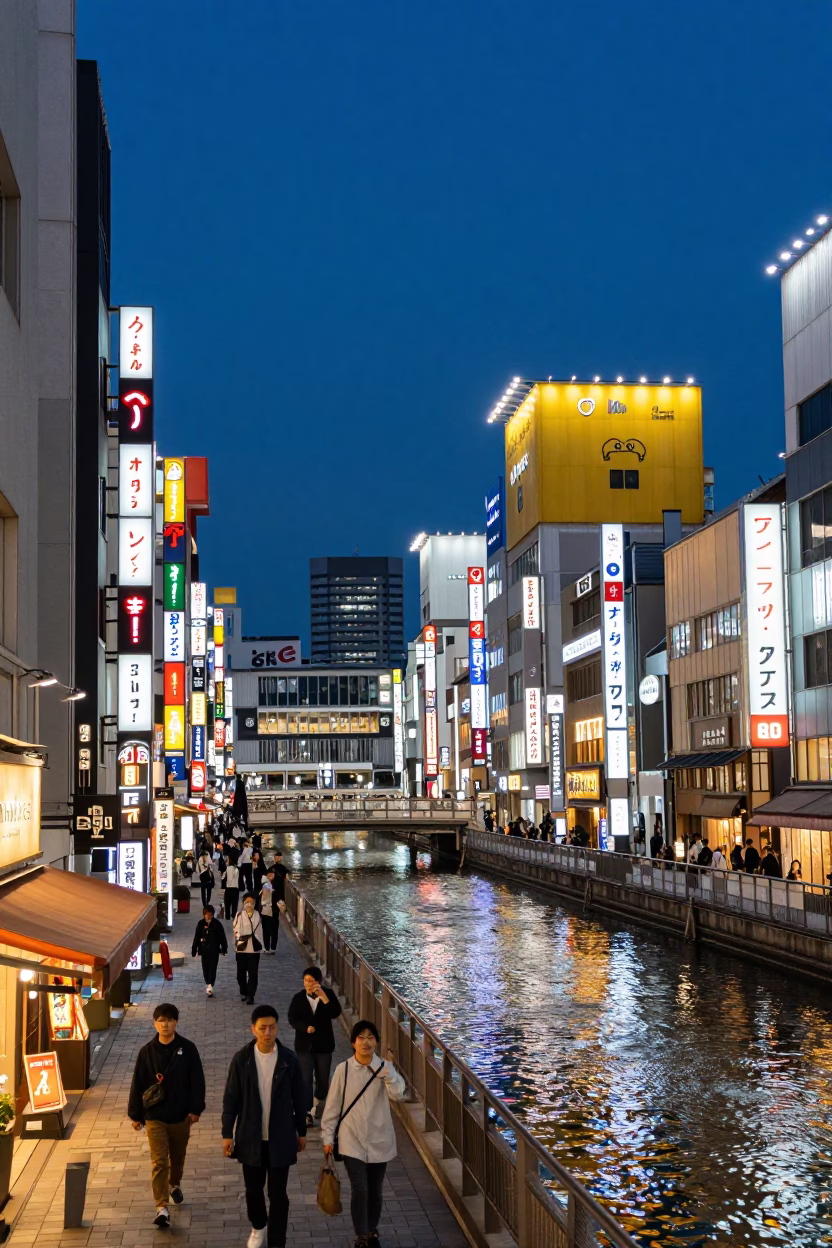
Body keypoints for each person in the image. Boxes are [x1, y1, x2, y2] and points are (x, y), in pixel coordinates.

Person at [222, 1005, 307, 1248]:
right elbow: (231, 1099)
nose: (267, 1032)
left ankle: (277, 1240)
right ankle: (258, 1224)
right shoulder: (242, 1060)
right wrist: (227, 1133)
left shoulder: (288, 1060)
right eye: (262, 1028)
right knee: (253, 1189)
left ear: (277, 1028)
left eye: (272, 1027)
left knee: (278, 1195)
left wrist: (301, 1131)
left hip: (280, 1138)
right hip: (250, 1137)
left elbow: (299, 1098)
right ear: (253, 1029)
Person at [321, 1020, 406, 1248]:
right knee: (360, 1188)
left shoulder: (384, 1068)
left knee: (375, 1191)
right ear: (353, 1042)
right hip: (352, 1139)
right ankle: (362, 1235)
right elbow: (333, 1106)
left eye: (371, 1037)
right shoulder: (344, 1070)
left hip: (380, 1138)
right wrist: (327, 1137)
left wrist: (389, 1075)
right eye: (361, 1037)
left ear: (376, 1042)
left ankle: (372, 1229)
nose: (366, 1042)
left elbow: (398, 1094)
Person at [127, 1003, 205, 1229]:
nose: (165, 1024)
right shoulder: (147, 1052)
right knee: (159, 1161)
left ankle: (175, 1184)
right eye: (161, 1020)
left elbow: (197, 1081)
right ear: (154, 1023)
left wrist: (195, 1110)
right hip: (155, 1116)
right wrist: (136, 1114)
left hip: (181, 1115)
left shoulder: (188, 1049)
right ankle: (161, 1207)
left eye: (169, 1020)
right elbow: (138, 1083)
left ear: (176, 1022)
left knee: (177, 1158)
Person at [287, 966, 342, 1126]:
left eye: (311, 981)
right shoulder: (298, 998)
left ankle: (319, 1103)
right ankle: (307, 1112)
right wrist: (305, 1028)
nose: (308, 984)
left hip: (324, 1045)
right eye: (306, 981)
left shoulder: (328, 995)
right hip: (304, 1046)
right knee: (305, 1079)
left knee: (323, 1079)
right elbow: (292, 1018)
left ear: (318, 982)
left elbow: (335, 1013)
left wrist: (324, 997)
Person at [191, 904, 228, 996]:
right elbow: (196, 937)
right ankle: (208, 982)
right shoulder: (200, 923)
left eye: (210, 913)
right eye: (206, 913)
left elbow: (222, 937)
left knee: (213, 968)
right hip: (204, 950)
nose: (208, 915)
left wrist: (224, 948)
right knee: (205, 968)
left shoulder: (217, 924)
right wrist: (194, 948)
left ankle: (210, 985)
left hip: (214, 950)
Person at [235, 894, 264, 1004]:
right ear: (243, 902)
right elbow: (236, 930)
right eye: (247, 901)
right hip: (241, 948)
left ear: (255, 903)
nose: (249, 904)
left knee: (253, 974)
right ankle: (244, 991)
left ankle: (251, 995)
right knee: (240, 975)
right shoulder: (239, 915)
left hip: (254, 949)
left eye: (251, 902)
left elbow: (260, 932)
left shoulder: (258, 915)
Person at [260, 870, 278, 955]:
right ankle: (270, 948)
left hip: (266, 911)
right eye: (269, 875)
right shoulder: (268, 886)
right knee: (271, 930)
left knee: (267, 930)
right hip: (270, 910)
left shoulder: (265, 885)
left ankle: (268, 948)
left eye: (272, 875)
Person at [224, 857, 241, 923]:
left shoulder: (228, 868)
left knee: (227, 904)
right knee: (234, 904)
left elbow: (224, 878)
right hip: (235, 889)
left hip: (229, 888)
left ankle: (227, 917)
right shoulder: (237, 869)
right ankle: (234, 916)